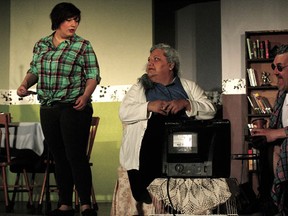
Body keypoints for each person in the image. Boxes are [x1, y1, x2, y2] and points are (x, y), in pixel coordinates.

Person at [17, 2, 100, 216]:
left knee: (75, 155)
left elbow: (93, 75)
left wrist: (85, 95)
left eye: (76, 20)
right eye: (69, 20)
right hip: (49, 106)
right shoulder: (41, 44)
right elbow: (34, 70)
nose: (74, 24)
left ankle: (85, 204)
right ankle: (65, 204)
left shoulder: (82, 45)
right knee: (58, 156)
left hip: (73, 105)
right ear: (58, 21)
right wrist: (25, 84)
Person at [119, 43, 216, 204]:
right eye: (149, 59)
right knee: (157, 122)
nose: (150, 63)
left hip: (182, 140)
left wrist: (186, 103)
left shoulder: (188, 86)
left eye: (156, 59)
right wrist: (149, 106)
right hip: (152, 141)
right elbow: (124, 113)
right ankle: (143, 183)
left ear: (171, 65)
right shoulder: (139, 88)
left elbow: (210, 110)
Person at [251, 44, 288, 215]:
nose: (275, 72)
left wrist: (276, 134)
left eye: (280, 67)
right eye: (274, 66)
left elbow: (278, 132)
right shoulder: (282, 94)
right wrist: (265, 133)